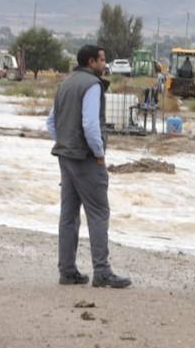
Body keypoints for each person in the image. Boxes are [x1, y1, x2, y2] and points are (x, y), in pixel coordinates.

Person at [47, 44, 132, 289]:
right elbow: (91, 125)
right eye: (102, 60)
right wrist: (99, 154)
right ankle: (102, 272)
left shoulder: (66, 83)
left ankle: (67, 270)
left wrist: (63, 142)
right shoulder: (93, 85)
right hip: (86, 158)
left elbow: (51, 122)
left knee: (68, 215)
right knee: (98, 213)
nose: (105, 64)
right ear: (91, 61)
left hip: (65, 156)